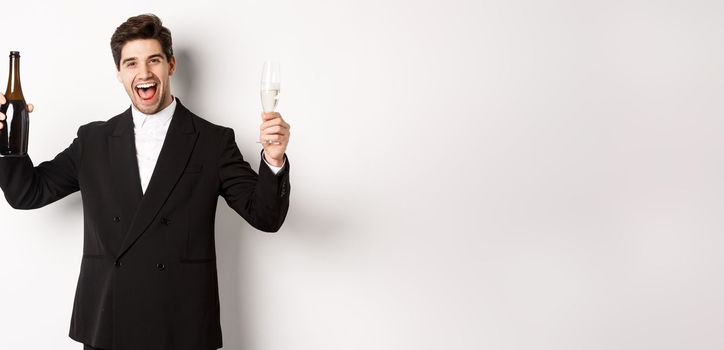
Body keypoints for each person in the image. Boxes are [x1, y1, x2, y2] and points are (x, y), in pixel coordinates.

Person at [0, 14, 290, 350]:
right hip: (108, 322)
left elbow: (265, 216)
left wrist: (274, 159)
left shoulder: (212, 141)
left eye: (153, 60)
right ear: (119, 74)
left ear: (171, 65)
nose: (144, 73)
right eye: (131, 63)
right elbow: (27, 193)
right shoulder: (92, 140)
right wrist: (10, 143)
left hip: (181, 326)